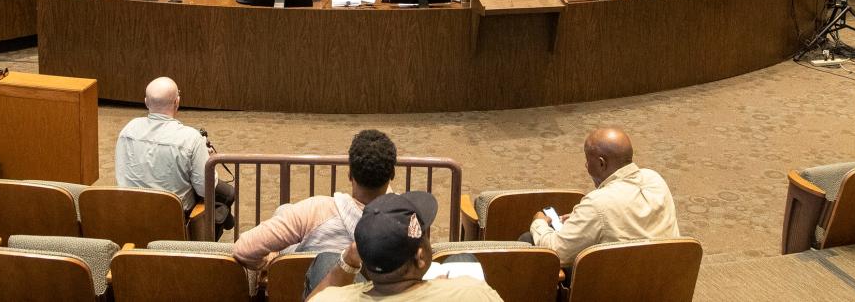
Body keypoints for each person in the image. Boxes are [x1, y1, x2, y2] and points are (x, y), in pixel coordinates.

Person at [233, 129, 397, 271]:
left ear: (350, 174)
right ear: (392, 175)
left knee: (285, 211)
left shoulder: (314, 211)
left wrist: (273, 266)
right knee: (285, 210)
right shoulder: (409, 219)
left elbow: (243, 249)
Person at [525, 127, 679, 266]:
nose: (586, 167)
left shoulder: (597, 203)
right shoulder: (655, 179)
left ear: (601, 163)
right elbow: (630, 214)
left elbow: (556, 252)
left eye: (587, 161)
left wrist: (539, 223)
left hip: (617, 287)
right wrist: (581, 218)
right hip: (664, 279)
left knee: (527, 241)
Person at [309, 192, 503, 300]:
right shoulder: (470, 293)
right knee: (462, 259)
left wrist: (347, 260)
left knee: (326, 259)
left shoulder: (330, 299)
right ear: (420, 257)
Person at [115, 77, 236, 234]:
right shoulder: (191, 138)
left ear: (146, 102)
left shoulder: (128, 129)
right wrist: (206, 159)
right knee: (227, 193)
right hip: (174, 219)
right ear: (177, 102)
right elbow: (205, 189)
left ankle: (226, 219)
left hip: (131, 211)